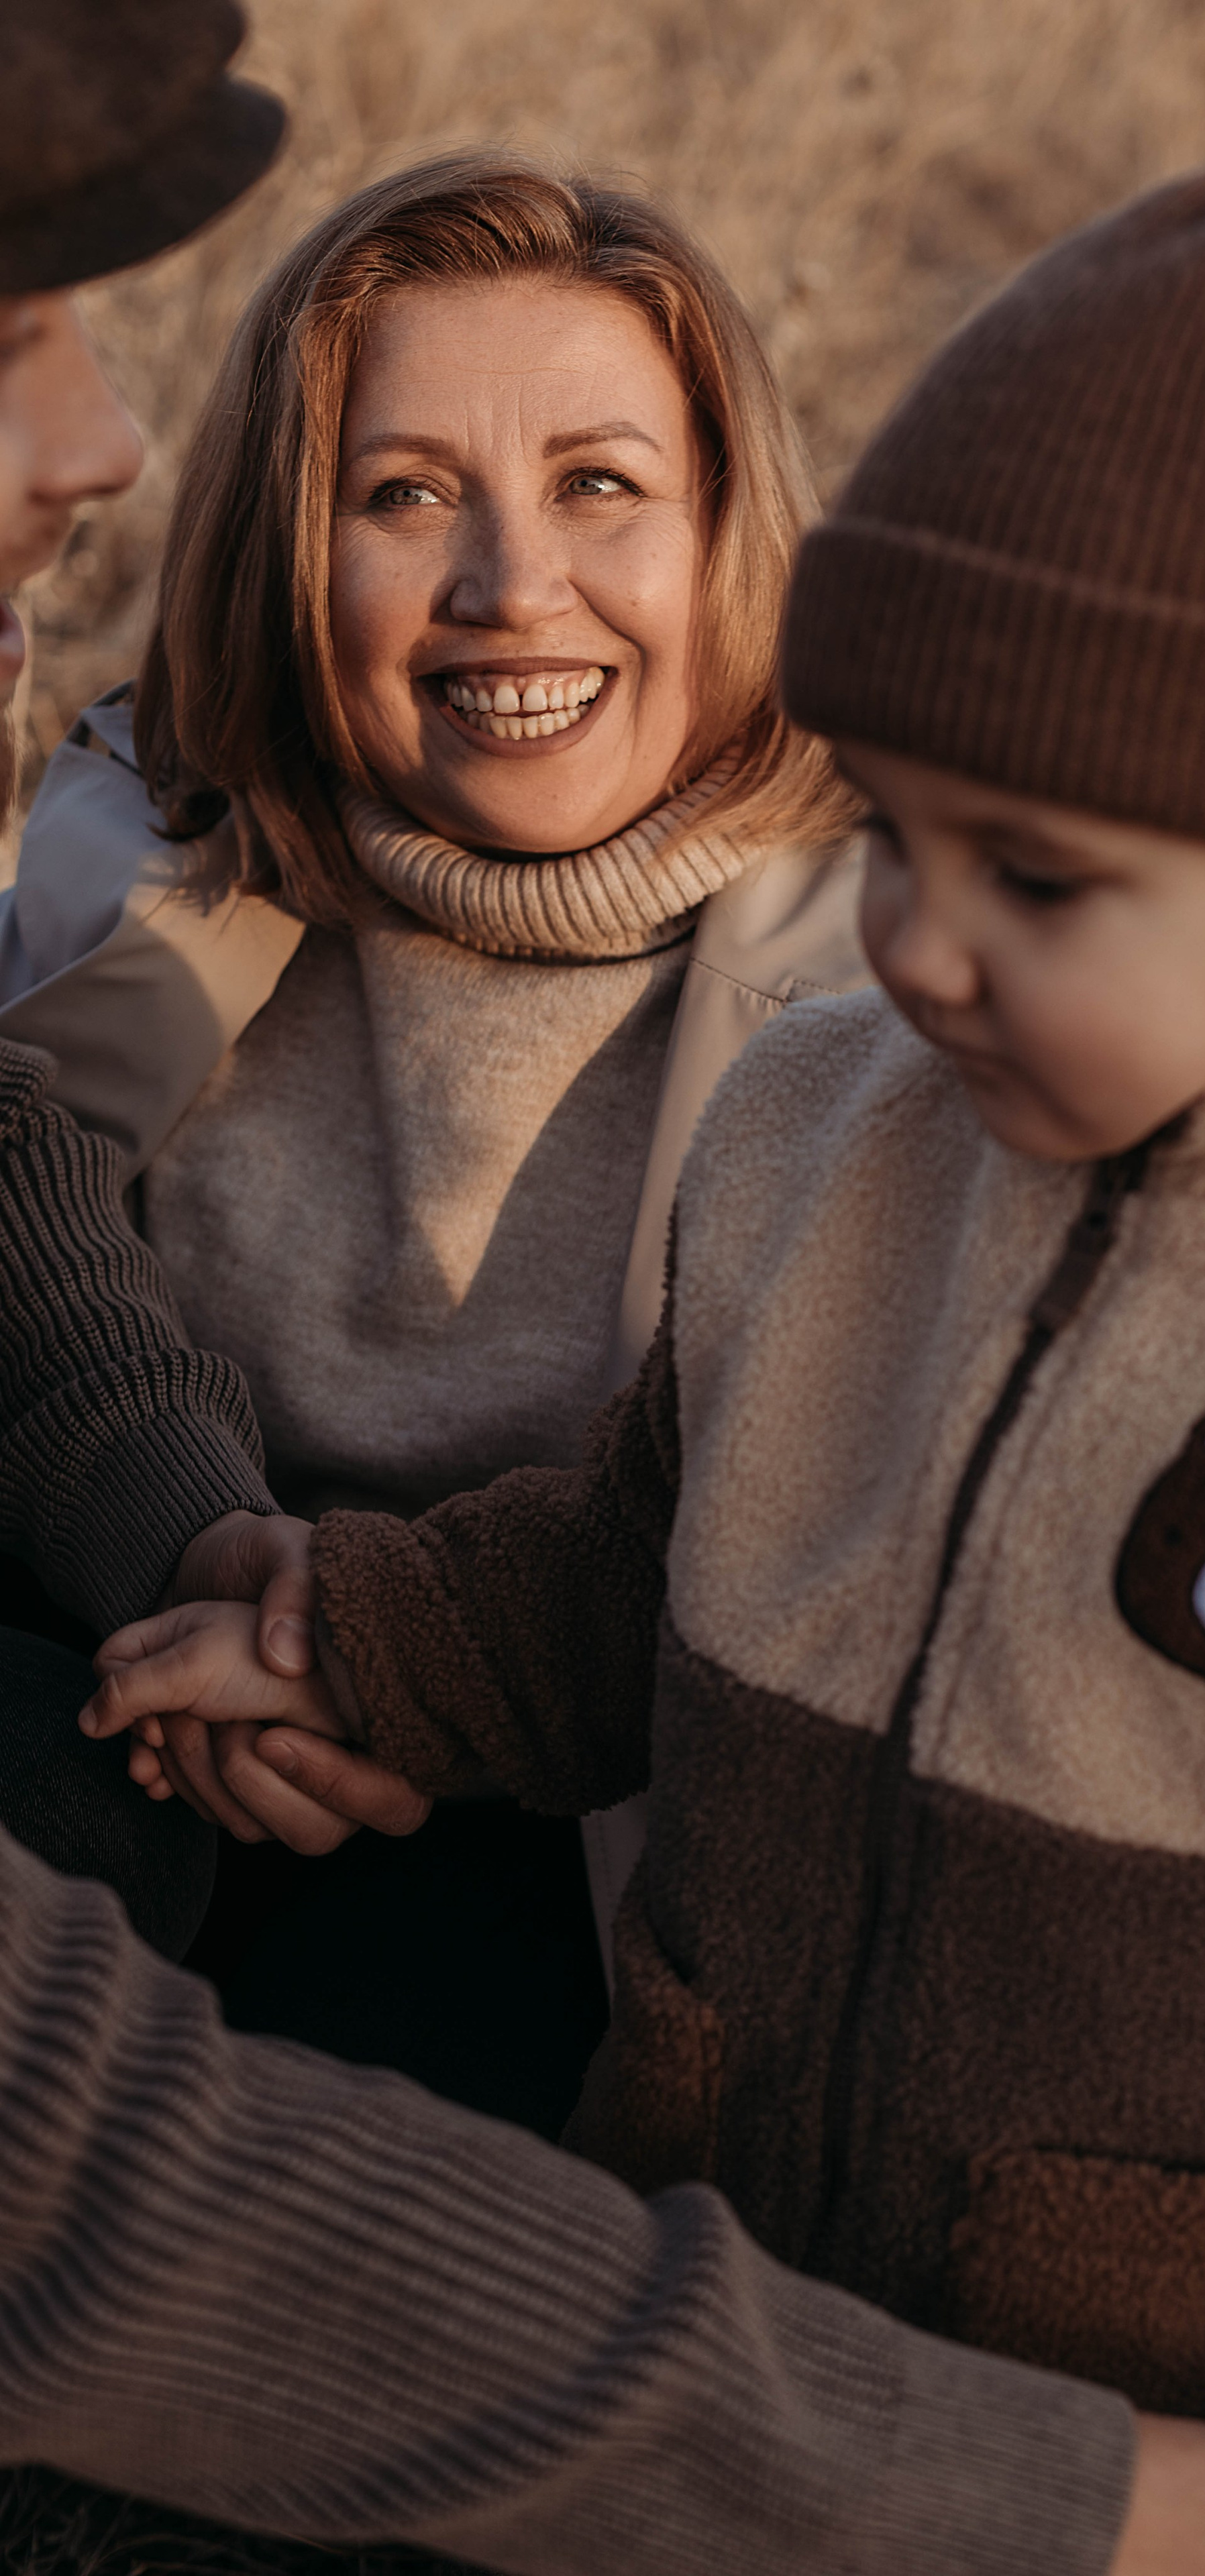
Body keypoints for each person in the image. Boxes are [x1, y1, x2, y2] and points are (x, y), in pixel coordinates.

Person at [5, 21, 1205, 2572]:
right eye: (900, 840)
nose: (920, 944)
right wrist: (326, 1633)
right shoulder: (800, 1117)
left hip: (1168, 2363)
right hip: (710, 2208)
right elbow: (615, 1554)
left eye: (1030, 884)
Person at [0, 146, 870, 2118]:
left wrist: (373, 1673)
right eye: (404, 495)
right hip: (125, 1714)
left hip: (587, 1841)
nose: (510, 589)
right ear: (292, 548)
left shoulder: (912, 984)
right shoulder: (130, 872)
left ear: (726, 530)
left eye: (600, 487)